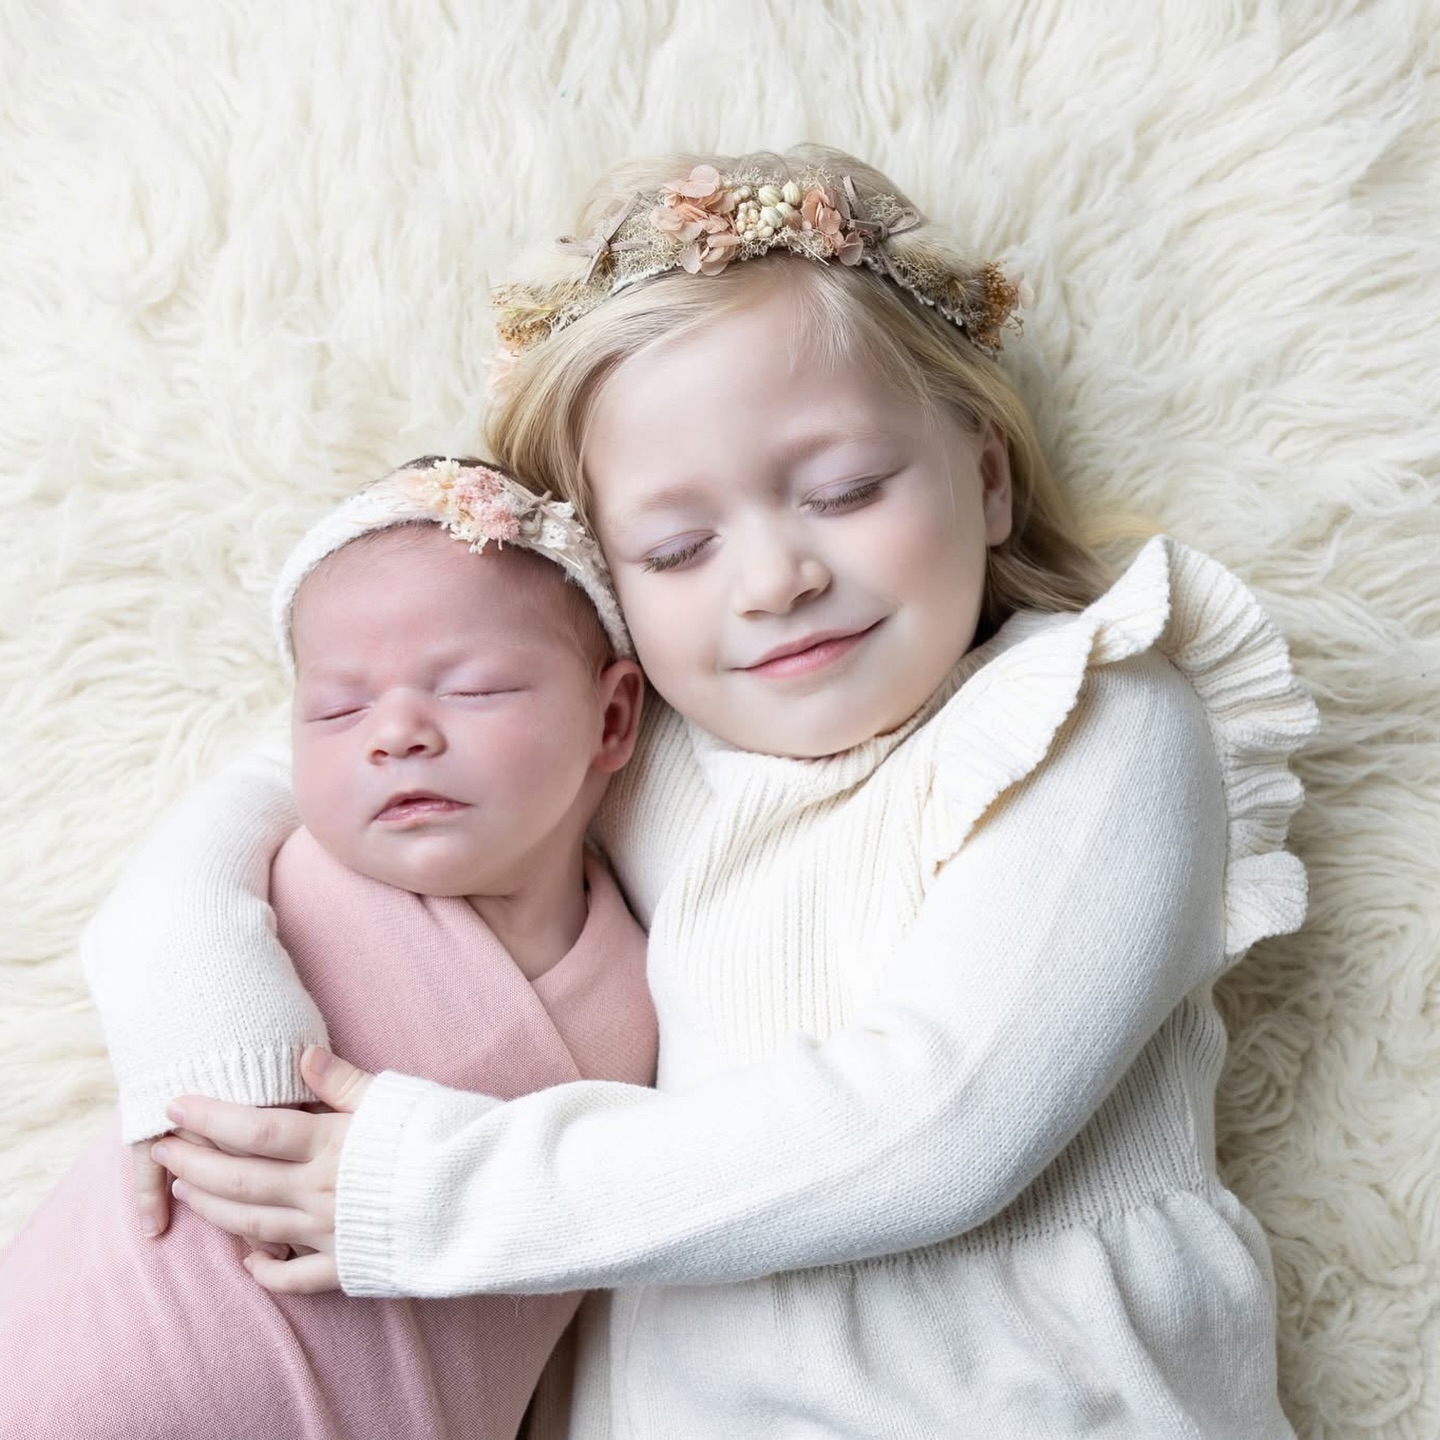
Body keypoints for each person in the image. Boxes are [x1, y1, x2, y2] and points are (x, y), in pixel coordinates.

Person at [81, 145, 1318, 1437]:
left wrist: (423, 1185)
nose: (775, 577)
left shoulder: (1094, 717)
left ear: (989, 475)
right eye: (677, 549)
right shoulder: (641, 743)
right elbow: (286, 776)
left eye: (843, 491)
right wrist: (205, 1041)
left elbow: (940, 1125)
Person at [0, 459, 655, 1440]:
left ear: (611, 718)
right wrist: (224, 1060)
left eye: (471, 688)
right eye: (337, 710)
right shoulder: (281, 863)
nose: (394, 733)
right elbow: (152, 923)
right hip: (79, 1376)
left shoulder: (648, 990)